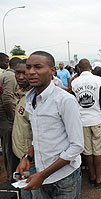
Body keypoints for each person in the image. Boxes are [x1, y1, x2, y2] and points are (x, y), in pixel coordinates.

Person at [16, 51, 84, 198]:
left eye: (38, 67)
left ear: (52, 71)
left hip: (64, 177)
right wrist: (27, 157)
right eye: (28, 67)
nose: (31, 72)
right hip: (40, 172)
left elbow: (77, 146)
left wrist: (43, 175)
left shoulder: (65, 100)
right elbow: (39, 135)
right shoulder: (30, 98)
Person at [71, 59, 101, 188]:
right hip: (97, 119)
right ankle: (98, 178)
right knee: (98, 151)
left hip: (82, 121)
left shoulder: (74, 82)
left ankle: (91, 176)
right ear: (90, 67)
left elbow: (73, 103)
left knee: (88, 151)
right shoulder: (98, 80)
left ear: (79, 69)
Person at [11, 59, 42, 199]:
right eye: (18, 73)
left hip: (32, 160)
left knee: (35, 194)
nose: (21, 77)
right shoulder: (22, 95)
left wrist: (28, 156)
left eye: (25, 73)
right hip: (23, 158)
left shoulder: (35, 99)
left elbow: (42, 133)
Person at [0, 57, 20, 182]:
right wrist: (13, 119)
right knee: (10, 149)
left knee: (7, 148)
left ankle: (10, 175)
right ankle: (12, 179)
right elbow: (7, 99)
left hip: (4, 118)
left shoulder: (5, 75)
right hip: (7, 117)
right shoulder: (11, 77)